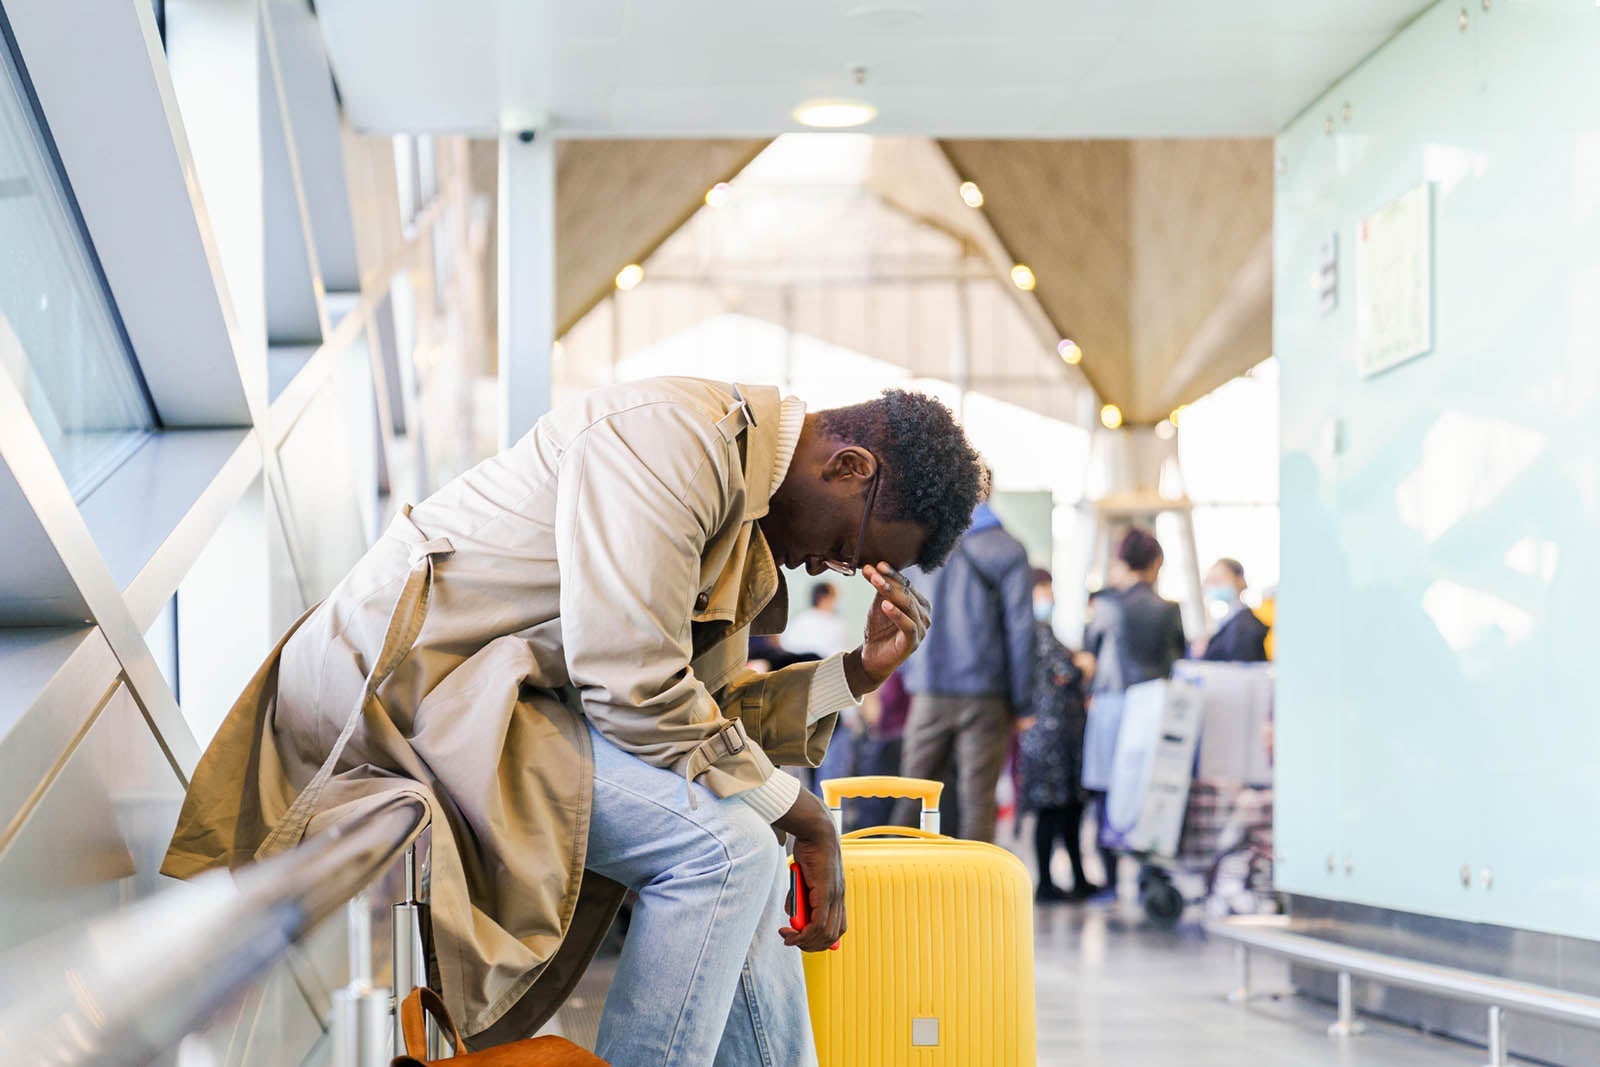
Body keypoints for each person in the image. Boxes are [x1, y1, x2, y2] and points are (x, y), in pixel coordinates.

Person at [162, 378, 985, 1065]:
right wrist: (808, 818)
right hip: (399, 689)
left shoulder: (740, 511)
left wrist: (854, 673)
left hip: (496, 705)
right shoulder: (674, 441)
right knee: (728, 849)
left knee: (749, 847)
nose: (831, 567)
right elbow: (633, 688)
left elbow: (706, 720)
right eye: (851, 544)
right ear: (848, 465)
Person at [896, 488, 1036, 843]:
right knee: (978, 800)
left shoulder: (922, 544)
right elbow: (1020, 629)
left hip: (928, 690)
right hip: (986, 697)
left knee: (913, 793)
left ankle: (891, 884)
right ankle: (972, 894)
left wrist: (911, 675)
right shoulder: (1008, 549)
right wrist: (1023, 703)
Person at [1079, 526, 1186, 900]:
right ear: (1156, 563)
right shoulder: (1170, 610)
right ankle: (1148, 873)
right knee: (1151, 791)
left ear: (1122, 562)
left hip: (1111, 706)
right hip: (1153, 709)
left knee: (1106, 792)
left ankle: (1110, 881)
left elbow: (1089, 657)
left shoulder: (1106, 605)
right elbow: (1179, 662)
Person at [1017, 568, 1096, 902]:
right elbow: (1066, 671)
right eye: (1043, 590)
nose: (1048, 597)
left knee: (1067, 810)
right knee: (1053, 811)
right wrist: (1082, 664)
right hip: (1050, 736)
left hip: (1056, 735)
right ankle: (1047, 883)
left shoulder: (1032, 631)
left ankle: (1075, 878)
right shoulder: (1038, 632)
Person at [1198, 558, 1271, 663]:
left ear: (1239, 579)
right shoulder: (1229, 621)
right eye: (1212, 581)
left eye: (1220, 579)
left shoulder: (1245, 625)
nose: (1214, 585)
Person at [785, 582, 853, 658]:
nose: (835, 602)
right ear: (823, 598)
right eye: (833, 597)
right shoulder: (801, 620)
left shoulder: (838, 623)